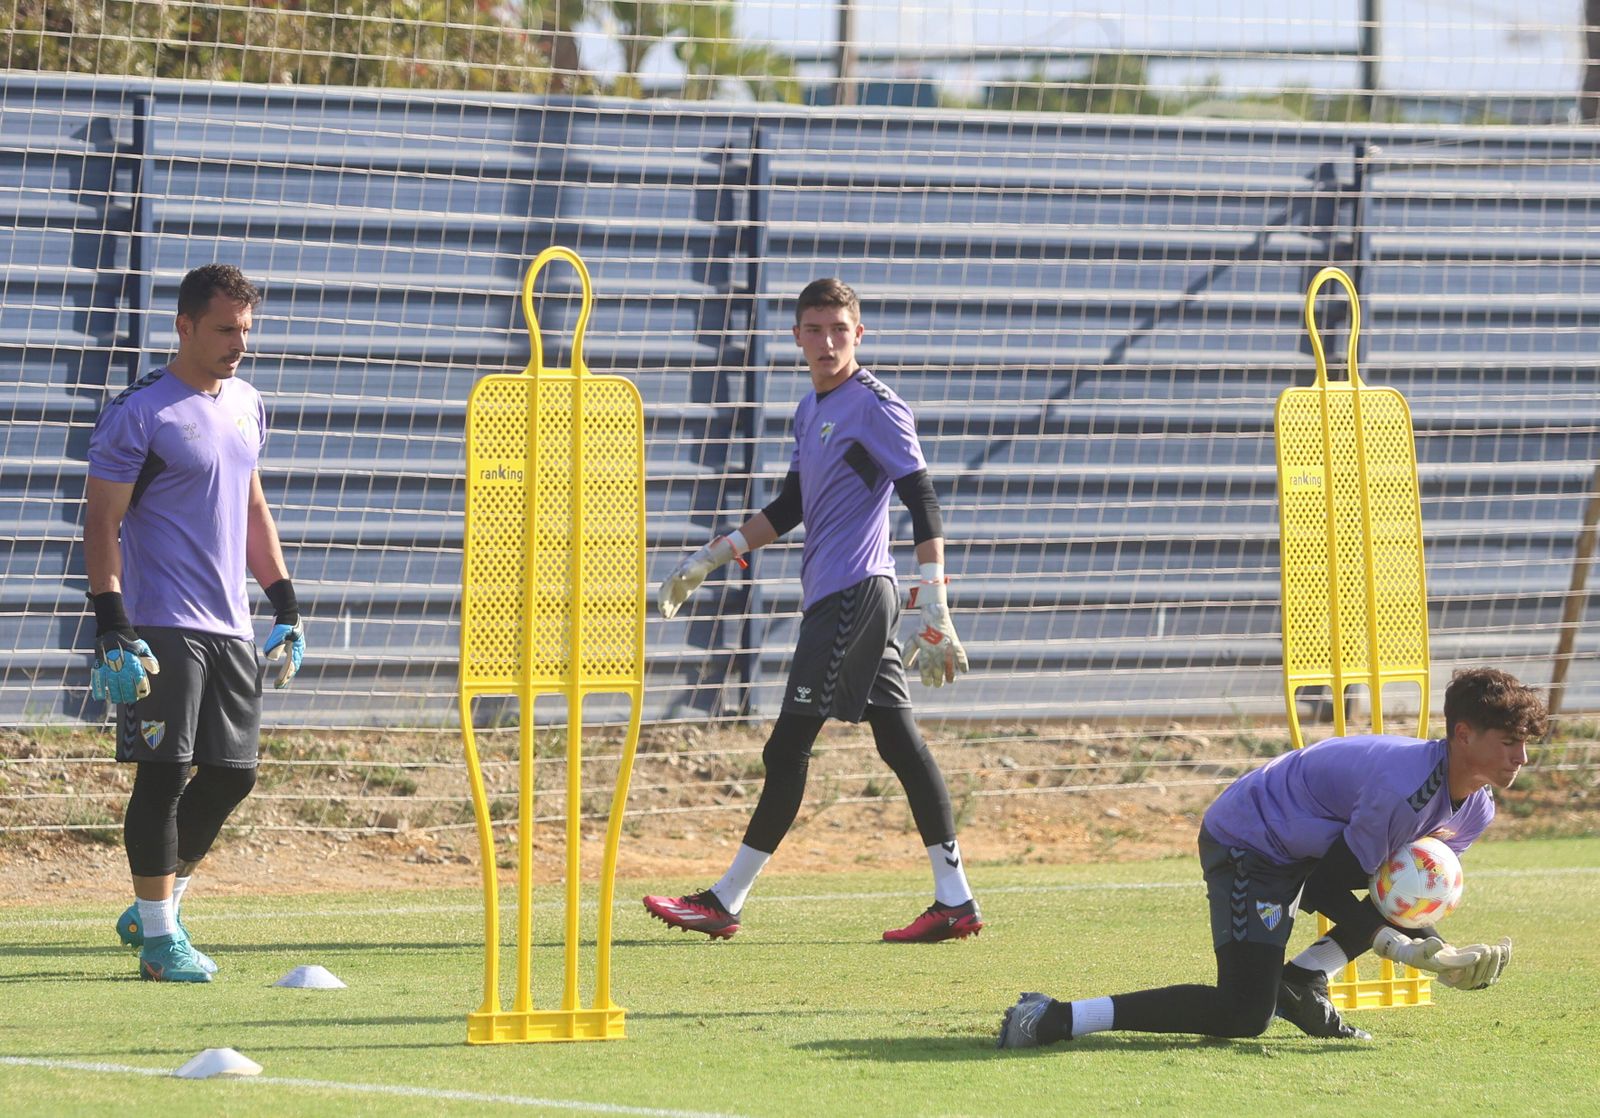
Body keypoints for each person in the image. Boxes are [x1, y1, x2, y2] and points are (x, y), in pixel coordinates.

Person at [642, 278, 981, 943]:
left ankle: (725, 898)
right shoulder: (808, 410)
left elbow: (923, 498)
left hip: (855, 596)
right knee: (899, 743)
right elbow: (790, 508)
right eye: (814, 329)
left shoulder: (876, 407)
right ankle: (955, 899)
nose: (827, 342)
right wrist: (713, 557)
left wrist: (934, 600)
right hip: (842, 599)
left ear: (860, 335)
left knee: (788, 745)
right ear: (796, 336)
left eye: (840, 330)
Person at [996, 667, 1545, 1046]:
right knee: (1242, 1013)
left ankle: (1302, 982)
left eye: (1526, 744)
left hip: (1306, 845)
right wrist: (1408, 952)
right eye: (1508, 742)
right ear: (1464, 734)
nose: (1521, 757)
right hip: (1250, 841)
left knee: (1391, 899)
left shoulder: (1476, 808)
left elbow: (1403, 896)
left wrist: (1441, 952)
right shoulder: (1403, 789)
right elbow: (1328, 891)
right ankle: (1051, 1017)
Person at [83, 263, 306, 983]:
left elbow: (250, 508)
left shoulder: (247, 402)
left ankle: (159, 904)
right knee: (164, 771)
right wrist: (112, 622)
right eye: (223, 329)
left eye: (245, 329)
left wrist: (285, 602)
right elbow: (101, 519)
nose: (237, 343)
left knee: (233, 776)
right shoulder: (140, 412)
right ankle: (158, 942)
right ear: (184, 326)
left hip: (229, 625)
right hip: (159, 623)